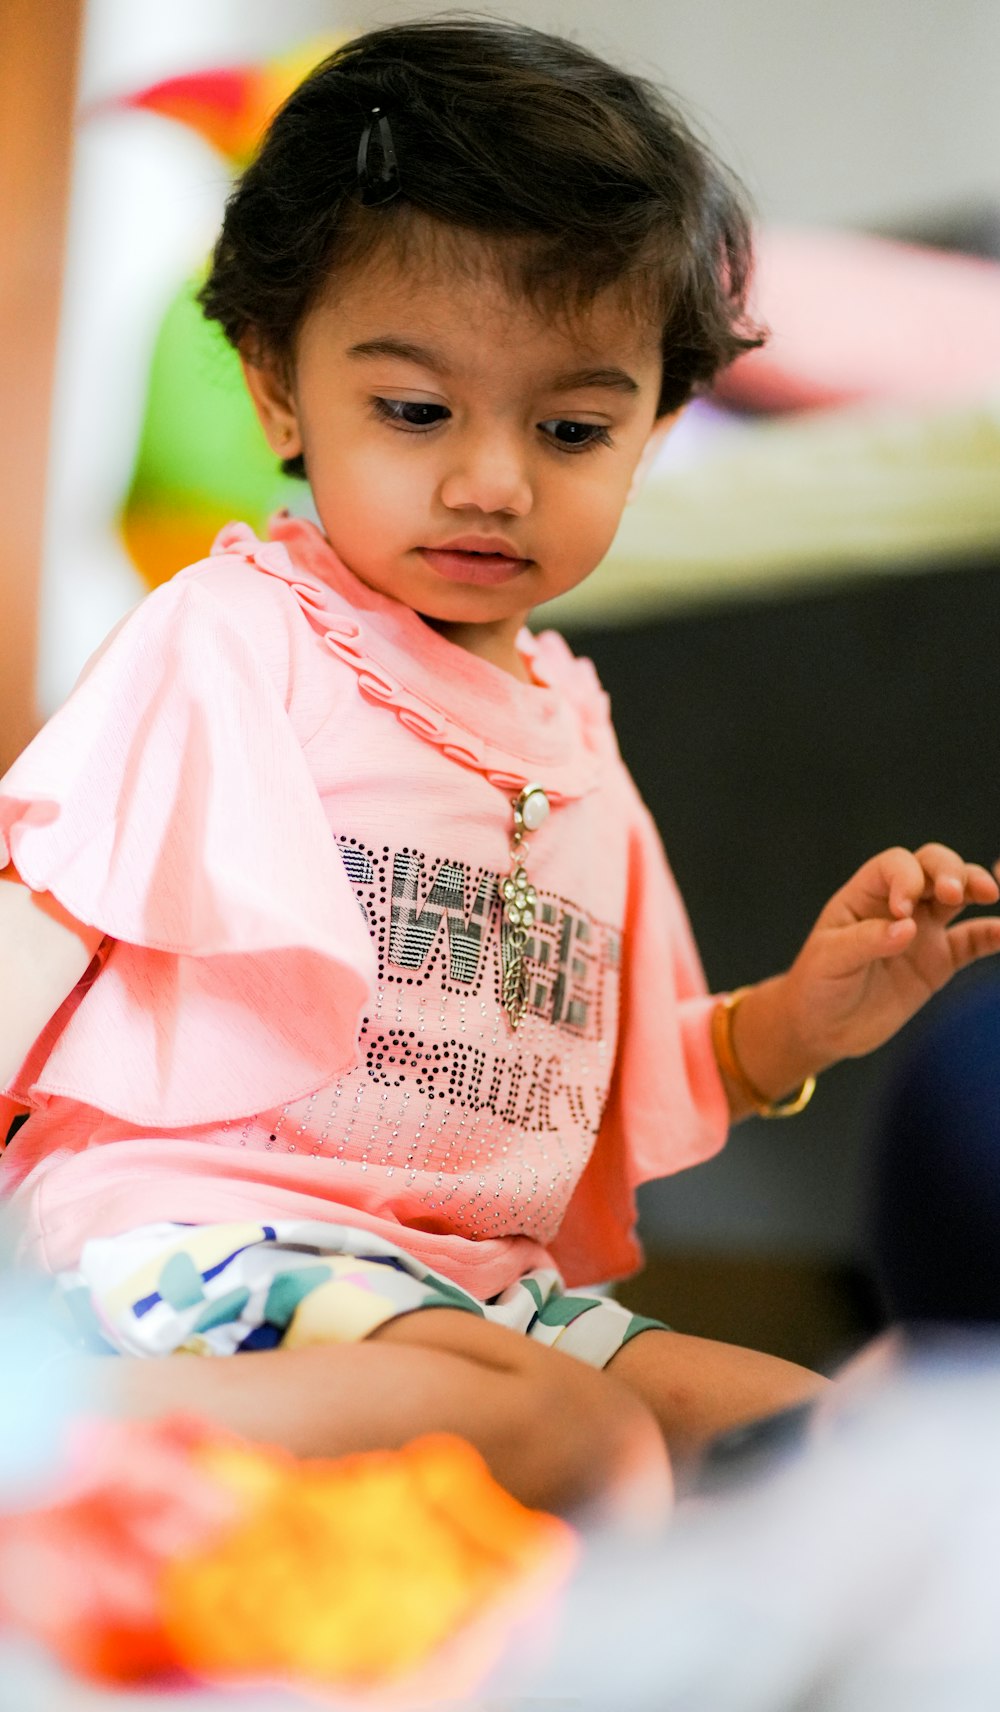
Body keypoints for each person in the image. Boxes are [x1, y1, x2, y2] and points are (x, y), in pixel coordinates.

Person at [1, 21, 998, 1519]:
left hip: (476, 1288)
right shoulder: (236, 636)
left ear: (657, 424)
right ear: (280, 389)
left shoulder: (573, 727)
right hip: (202, 1241)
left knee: (834, 1442)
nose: (492, 477)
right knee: (579, 1439)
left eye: (574, 425)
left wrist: (796, 1020)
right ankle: (49, 1419)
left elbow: (623, 1071)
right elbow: (43, 912)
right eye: (415, 410)